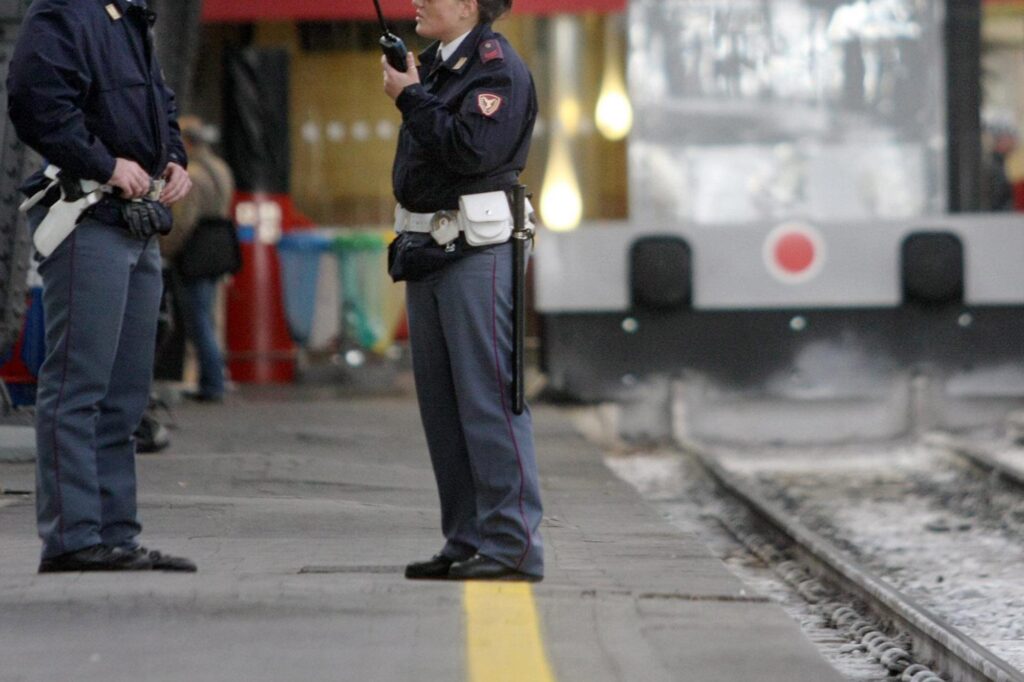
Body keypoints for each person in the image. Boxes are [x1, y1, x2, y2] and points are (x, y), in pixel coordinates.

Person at [7, 0, 196, 573]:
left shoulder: (131, 18)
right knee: (77, 386)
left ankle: (115, 533)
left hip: (134, 221)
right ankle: (72, 537)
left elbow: (158, 104)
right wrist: (105, 163)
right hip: (89, 217)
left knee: (124, 395)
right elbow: (34, 104)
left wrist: (175, 160)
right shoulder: (62, 13)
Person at [382, 0, 543, 581]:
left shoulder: (496, 68)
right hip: (427, 249)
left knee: (487, 400)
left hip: (475, 250)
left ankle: (512, 546)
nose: (419, 2)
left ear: (469, 7)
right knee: (443, 407)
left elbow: (471, 149)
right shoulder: (438, 68)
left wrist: (410, 98)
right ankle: (467, 537)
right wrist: (417, 90)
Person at [160, 116, 236, 403]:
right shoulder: (220, 167)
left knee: (198, 320)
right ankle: (214, 379)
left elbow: (183, 221)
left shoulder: (192, 173)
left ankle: (212, 382)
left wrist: (166, 248)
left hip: (195, 252)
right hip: (220, 248)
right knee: (210, 317)